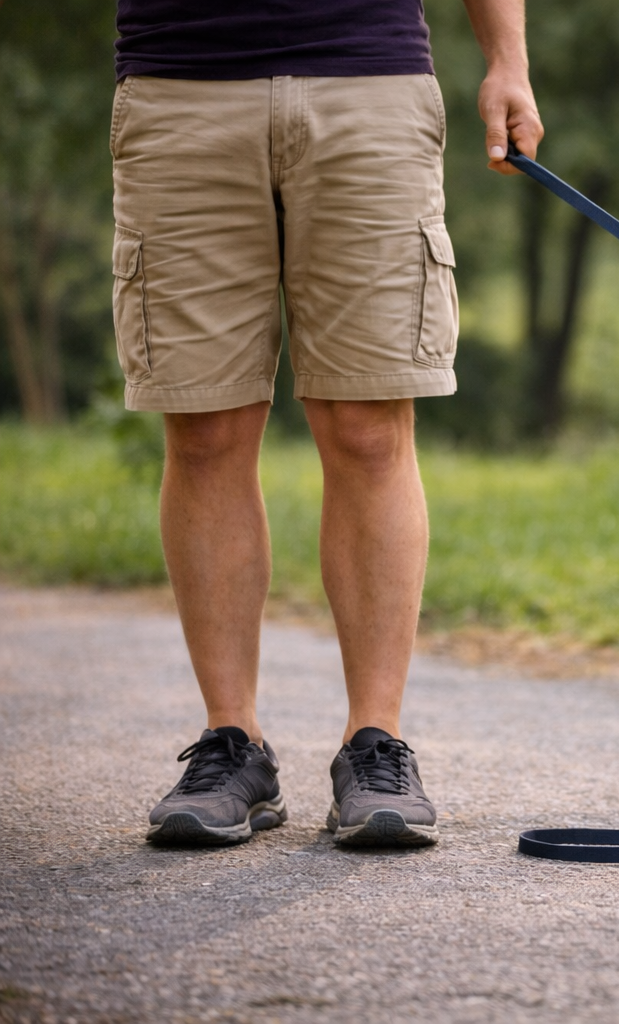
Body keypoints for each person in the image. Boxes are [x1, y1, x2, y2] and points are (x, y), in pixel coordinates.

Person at [112, 0, 543, 846]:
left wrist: (508, 61)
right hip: (177, 86)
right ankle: (232, 745)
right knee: (203, 428)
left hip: (370, 80)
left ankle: (374, 745)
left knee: (368, 426)